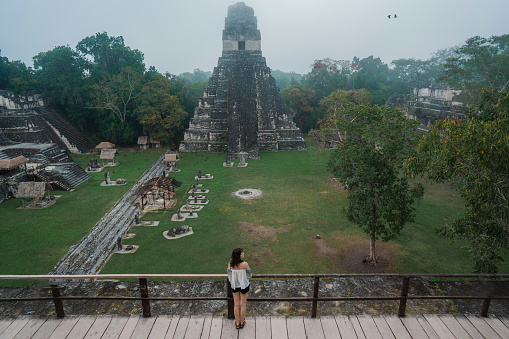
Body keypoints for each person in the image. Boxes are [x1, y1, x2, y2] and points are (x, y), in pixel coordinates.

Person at [227, 248, 252, 329]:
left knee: (236, 304)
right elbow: (249, 275)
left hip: (234, 285)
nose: (243, 254)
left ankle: (237, 323)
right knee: (243, 304)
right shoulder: (244, 264)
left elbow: (229, 274)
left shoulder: (230, 263)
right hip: (244, 285)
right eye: (242, 253)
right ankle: (242, 322)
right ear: (239, 255)